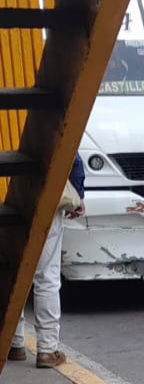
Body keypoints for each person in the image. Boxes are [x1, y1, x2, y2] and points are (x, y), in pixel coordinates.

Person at [8, 153, 85, 368]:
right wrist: (77, 193)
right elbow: (72, 157)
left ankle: (13, 344)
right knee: (46, 275)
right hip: (42, 195)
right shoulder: (43, 118)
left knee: (10, 271)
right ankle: (47, 350)